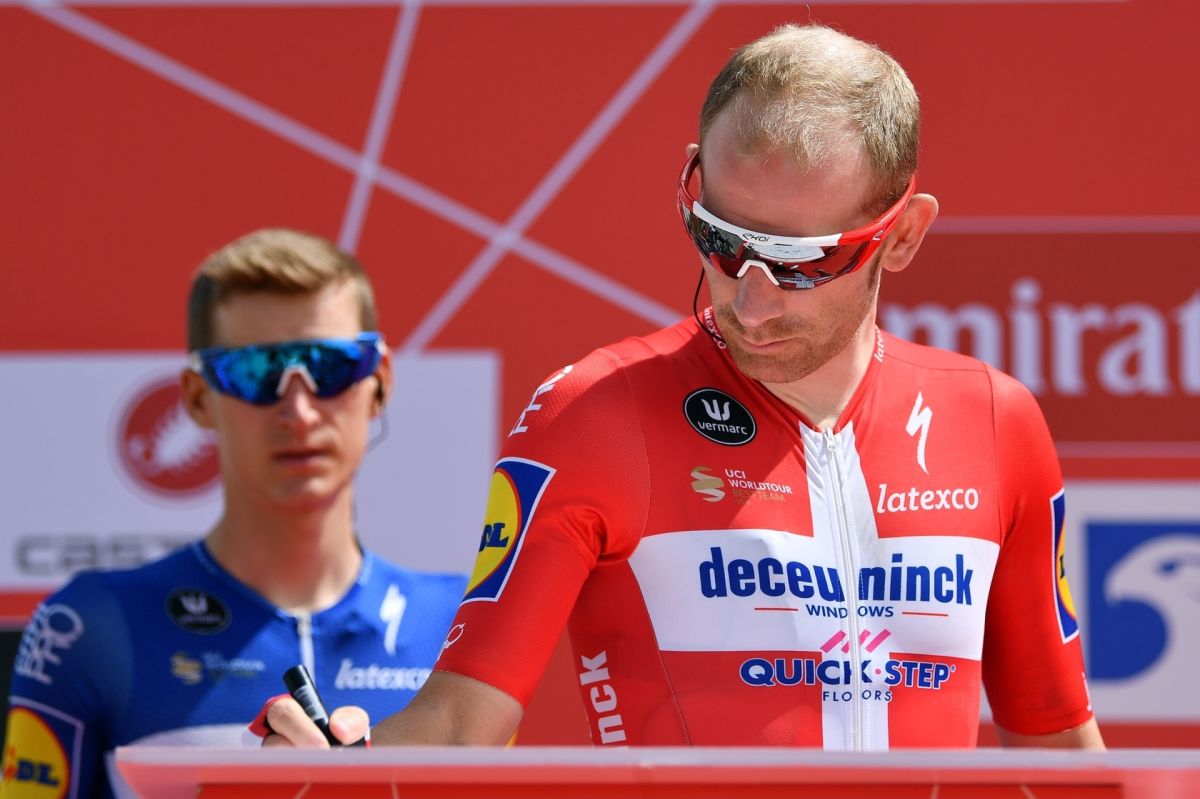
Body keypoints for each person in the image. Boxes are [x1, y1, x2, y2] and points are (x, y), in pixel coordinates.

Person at [264, 24, 1104, 750]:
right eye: (720, 239)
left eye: (801, 262)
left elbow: (1061, 752)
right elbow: (458, 727)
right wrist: (333, 773)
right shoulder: (595, 413)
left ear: (904, 235)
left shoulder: (994, 421)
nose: (751, 299)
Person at [3, 229, 467, 797]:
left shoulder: (459, 628)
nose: (299, 411)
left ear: (380, 382)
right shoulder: (92, 626)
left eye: (330, 366)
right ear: (199, 397)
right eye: (258, 372)